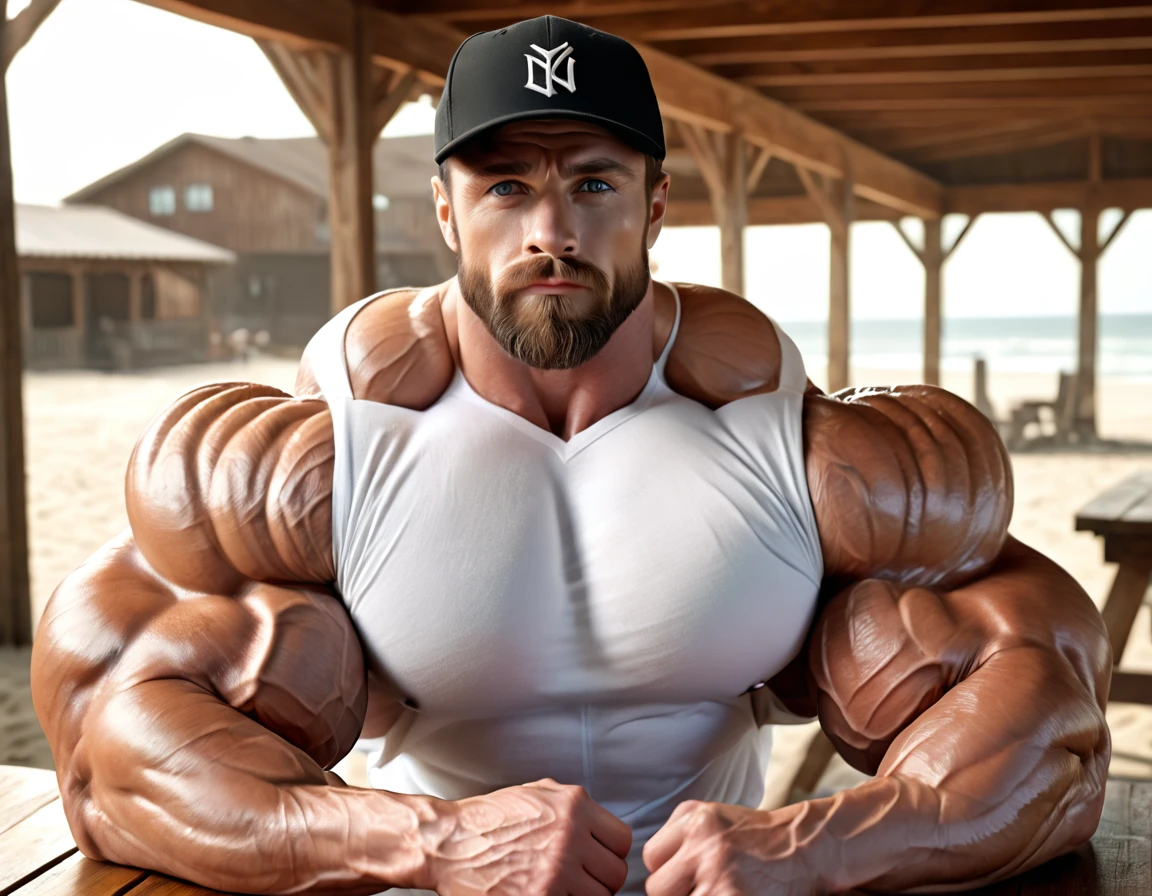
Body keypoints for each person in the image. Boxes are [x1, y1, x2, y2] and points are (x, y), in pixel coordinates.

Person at [32, 15, 1110, 896]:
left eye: (594, 184)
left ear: (653, 207)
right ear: (446, 212)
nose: (553, 229)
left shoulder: (804, 445)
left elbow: (1056, 717)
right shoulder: (323, 455)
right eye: (507, 187)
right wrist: (426, 840)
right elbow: (105, 743)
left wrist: (822, 844)